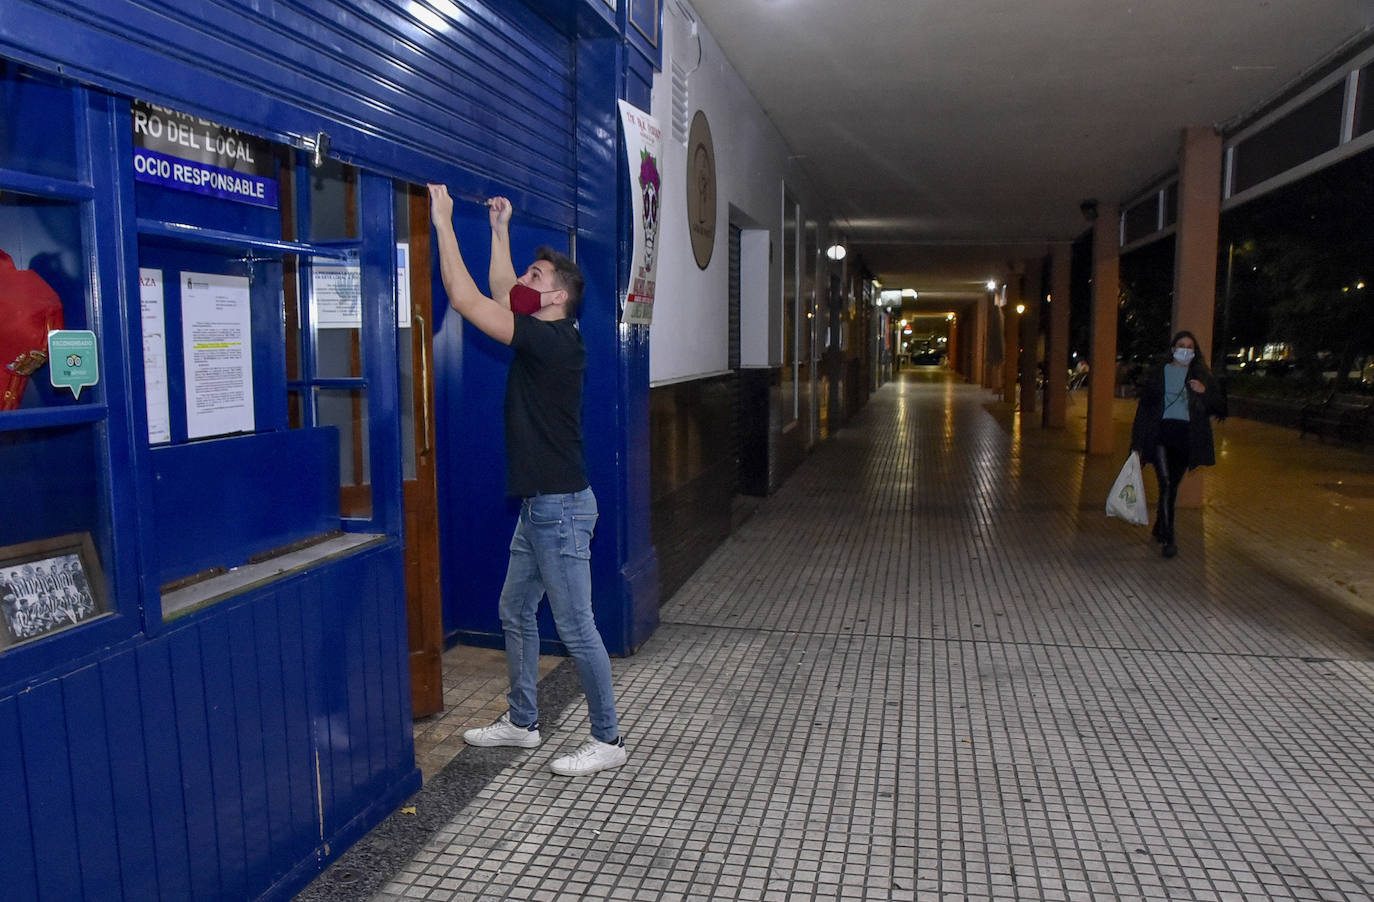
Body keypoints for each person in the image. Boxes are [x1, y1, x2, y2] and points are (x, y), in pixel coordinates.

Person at [427, 184, 626, 777]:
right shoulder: (546, 335)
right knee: (515, 609)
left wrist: (442, 220)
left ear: (558, 295)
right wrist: (497, 230)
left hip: (560, 510)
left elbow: (467, 299)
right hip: (541, 506)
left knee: (576, 626)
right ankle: (521, 723)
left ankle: (608, 739)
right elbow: (498, 291)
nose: (522, 282)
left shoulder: (552, 341)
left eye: (535, 276)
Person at [1129, 330, 1227, 558]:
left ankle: (1159, 524)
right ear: (1173, 349)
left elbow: (1220, 408)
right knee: (1165, 482)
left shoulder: (1201, 376)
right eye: (1181, 346)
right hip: (1161, 435)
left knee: (1172, 486)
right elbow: (1144, 411)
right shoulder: (1159, 374)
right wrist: (1137, 443)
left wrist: (1204, 392)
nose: (1185, 350)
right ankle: (1169, 537)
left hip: (1186, 437)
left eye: (1189, 347)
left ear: (1194, 352)